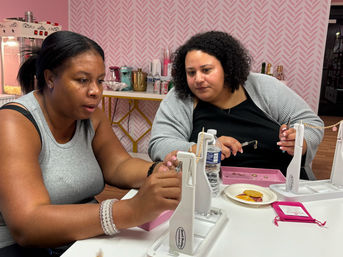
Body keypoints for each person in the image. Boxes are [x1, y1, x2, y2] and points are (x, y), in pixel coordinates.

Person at [0, 30, 181, 256]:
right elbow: (28, 224)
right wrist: (130, 211)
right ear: (50, 78)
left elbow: (117, 164)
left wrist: (160, 171)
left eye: (100, 80)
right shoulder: (14, 122)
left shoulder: (90, 115)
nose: (95, 91)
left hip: (81, 235)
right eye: (82, 80)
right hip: (24, 247)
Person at [148, 30, 324, 180]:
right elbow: (159, 144)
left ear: (227, 67)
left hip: (283, 187)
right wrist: (199, 149)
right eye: (191, 72)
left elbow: (311, 123)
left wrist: (300, 140)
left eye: (206, 70)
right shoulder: (179, 97)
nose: (198, 79)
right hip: (212, 190)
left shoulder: (265, 87)